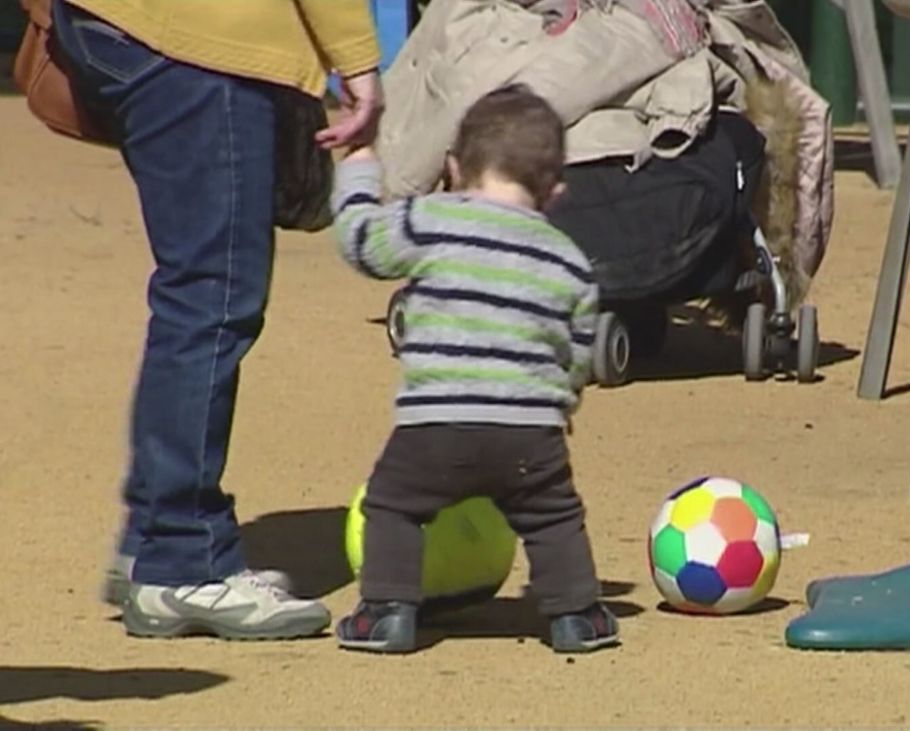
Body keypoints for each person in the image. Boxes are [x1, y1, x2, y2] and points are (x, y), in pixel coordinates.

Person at [48, 0, 383, 640]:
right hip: (201, 40)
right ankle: (183, 561)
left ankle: (152, 534)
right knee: (211, 294)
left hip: (111, 23)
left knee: (194, 289)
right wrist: (357, 59)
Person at [329, 84, 619, 654]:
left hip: (436, 424)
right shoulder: (569, 261)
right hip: (530, 435)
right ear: (554, 191)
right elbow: (578, 352)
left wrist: (360, 173)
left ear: (457, 166)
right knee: (555, 516)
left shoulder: (430, 220)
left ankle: (386, 610)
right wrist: (563, 402)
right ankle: (578, 615)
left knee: (391, 504)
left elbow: (360, 243)